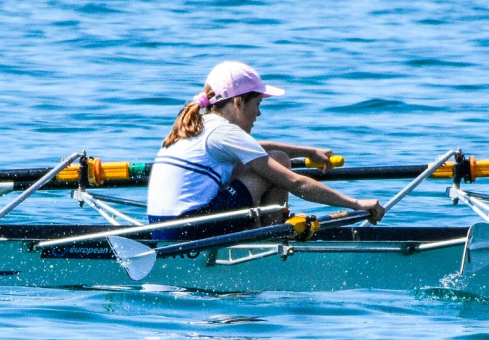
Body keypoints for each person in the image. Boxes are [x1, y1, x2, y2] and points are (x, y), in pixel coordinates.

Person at [147, 61, 385, 240]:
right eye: (257, 104)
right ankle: (270, 239)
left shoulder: (201, 123)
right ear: (238, 102)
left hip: (160, 230)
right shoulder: (223, 133)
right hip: (188, 233)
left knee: (271, 158)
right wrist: (356, 203)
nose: (259, 114)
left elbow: (257, 148)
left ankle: (260, 228)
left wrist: (308, 152)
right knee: (277, 163)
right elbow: (296, 183)